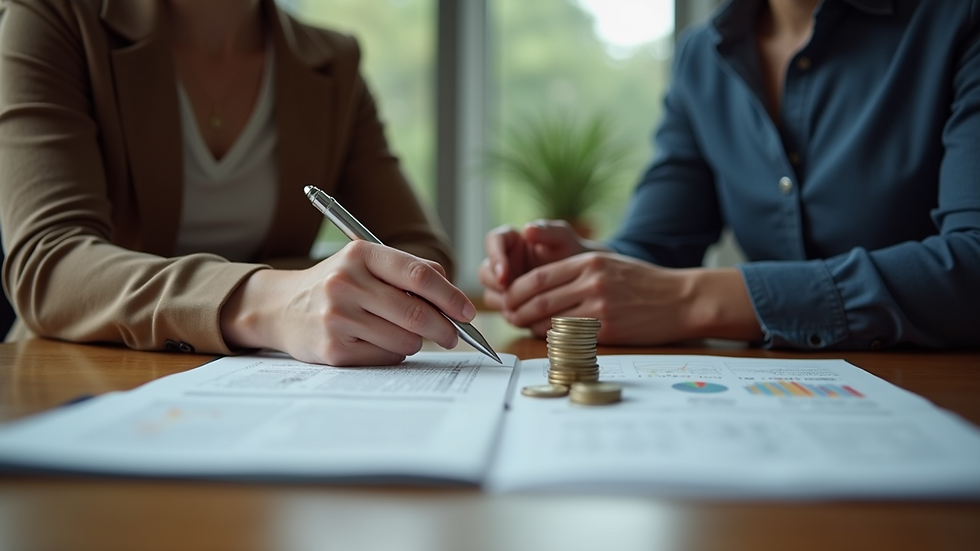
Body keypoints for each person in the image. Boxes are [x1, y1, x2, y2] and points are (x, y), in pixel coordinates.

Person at [480, 0, 980, 350]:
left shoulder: (959, 19)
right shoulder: (703, 56)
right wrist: (575, 271)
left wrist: (692, 301)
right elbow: (658, 246)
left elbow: (972, 264)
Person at [0, 0, 477, 366]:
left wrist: (307, 296)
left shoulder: (334, 62)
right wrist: (269, 301)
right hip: (83, 378)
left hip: (275, 386)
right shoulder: (53, 18)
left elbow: (418, 255)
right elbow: (50, 262)